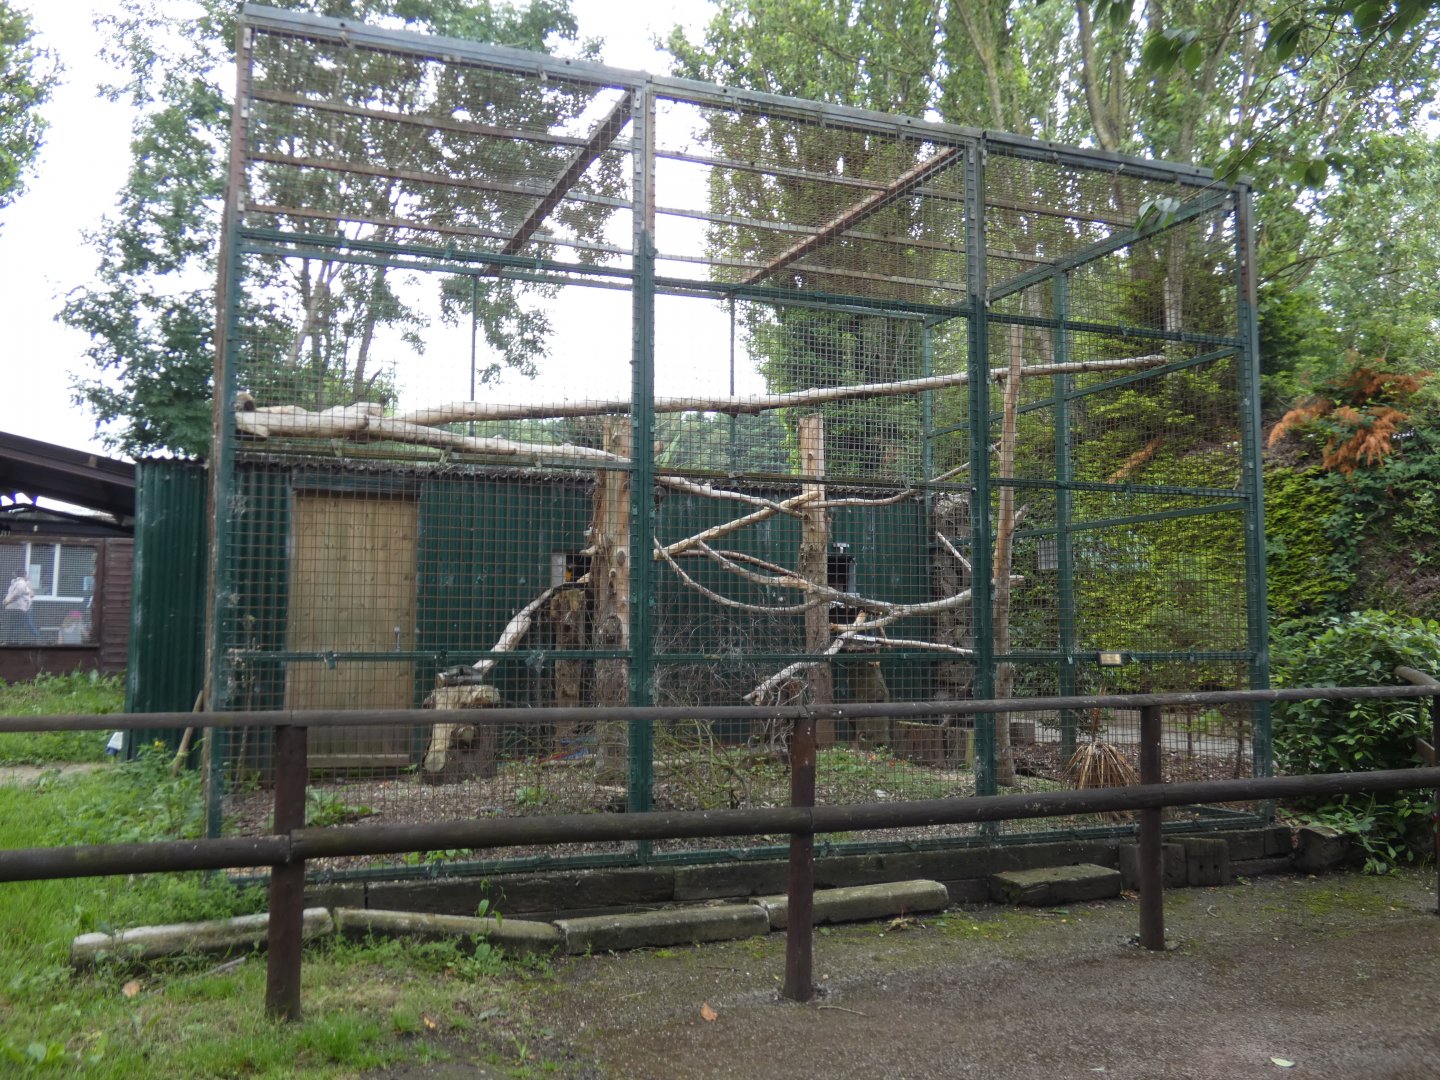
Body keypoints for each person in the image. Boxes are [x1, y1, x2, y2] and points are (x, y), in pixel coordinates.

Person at [4, 570, 39, 643]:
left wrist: (8, 601)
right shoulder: (16, 583)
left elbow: (32, 594)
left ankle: (37, 638)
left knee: (27, 623)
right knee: (19, 624)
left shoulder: (25, 583)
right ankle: (14, 641)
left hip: (26, 606)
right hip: (19, 606)